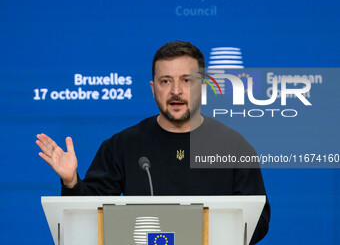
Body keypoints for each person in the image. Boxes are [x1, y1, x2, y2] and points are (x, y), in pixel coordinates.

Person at [36, 40, 270, 244]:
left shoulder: (234, 146)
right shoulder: (122, 145)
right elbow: (88, 216)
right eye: (165, 81)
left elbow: (258, 221)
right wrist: (71, 181)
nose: (176, 91)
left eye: (186, 80)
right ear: (153, 88)